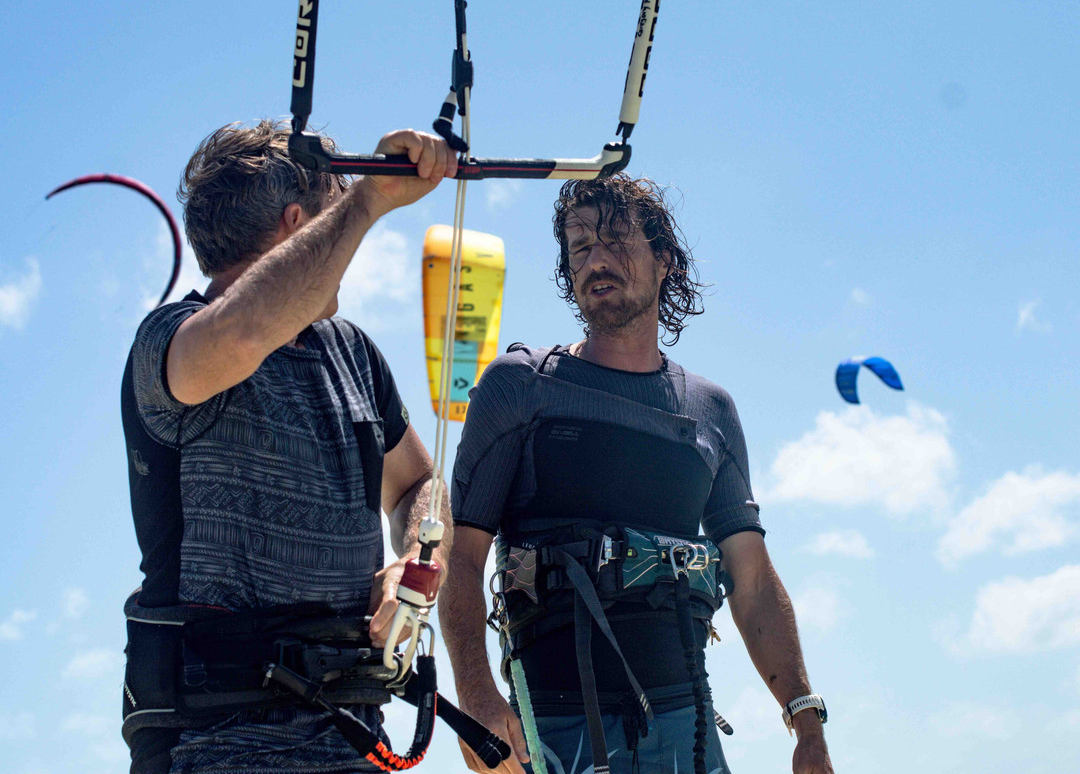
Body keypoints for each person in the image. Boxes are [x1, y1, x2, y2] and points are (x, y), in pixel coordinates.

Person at [440, 175, 834, 774]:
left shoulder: (710, 410)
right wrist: (477, 700)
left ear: (663, 261)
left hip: (688, 730)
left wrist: (806, 724)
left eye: (617, 241)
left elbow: (752, 583)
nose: (596, 260)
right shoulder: (520, 387)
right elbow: (459, 557)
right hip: (550, 727)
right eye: (580, 247)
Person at [120, 120, 459, 774]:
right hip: (211, 748)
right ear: (298, 226)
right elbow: (245, 333)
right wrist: (366, 201)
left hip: (355, 740)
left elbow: (421, 486)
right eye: (335, 224)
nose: (351, 244)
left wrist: (415, 564)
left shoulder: (352, 353)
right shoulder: (169, 340)